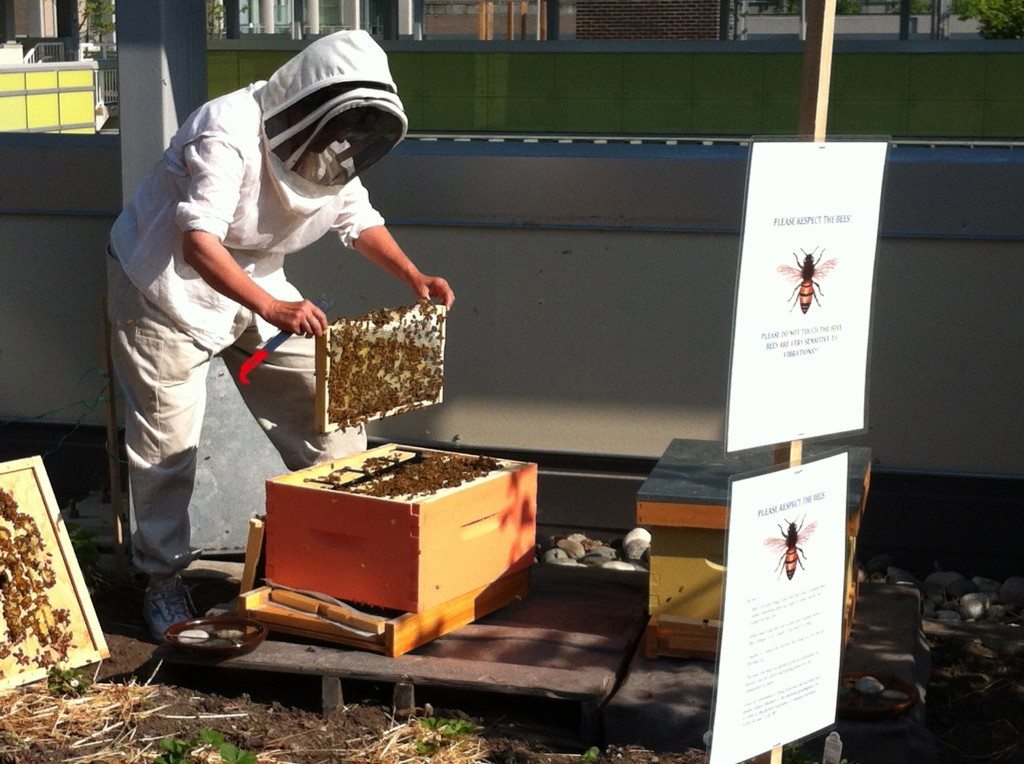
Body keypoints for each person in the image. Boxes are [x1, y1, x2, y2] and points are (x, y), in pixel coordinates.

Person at [106, 30, 454, 640]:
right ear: (303, 102)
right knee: (168, 447)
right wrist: (273, 306)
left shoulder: (333, 147)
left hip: (260, 286)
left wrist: (412, 275)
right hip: (166, 290)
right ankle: (161, 579)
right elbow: (198, 243)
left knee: (328, 407)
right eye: (334, 128)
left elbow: (356, 217)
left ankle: (335, 555)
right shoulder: (224, 130)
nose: (338, 143)